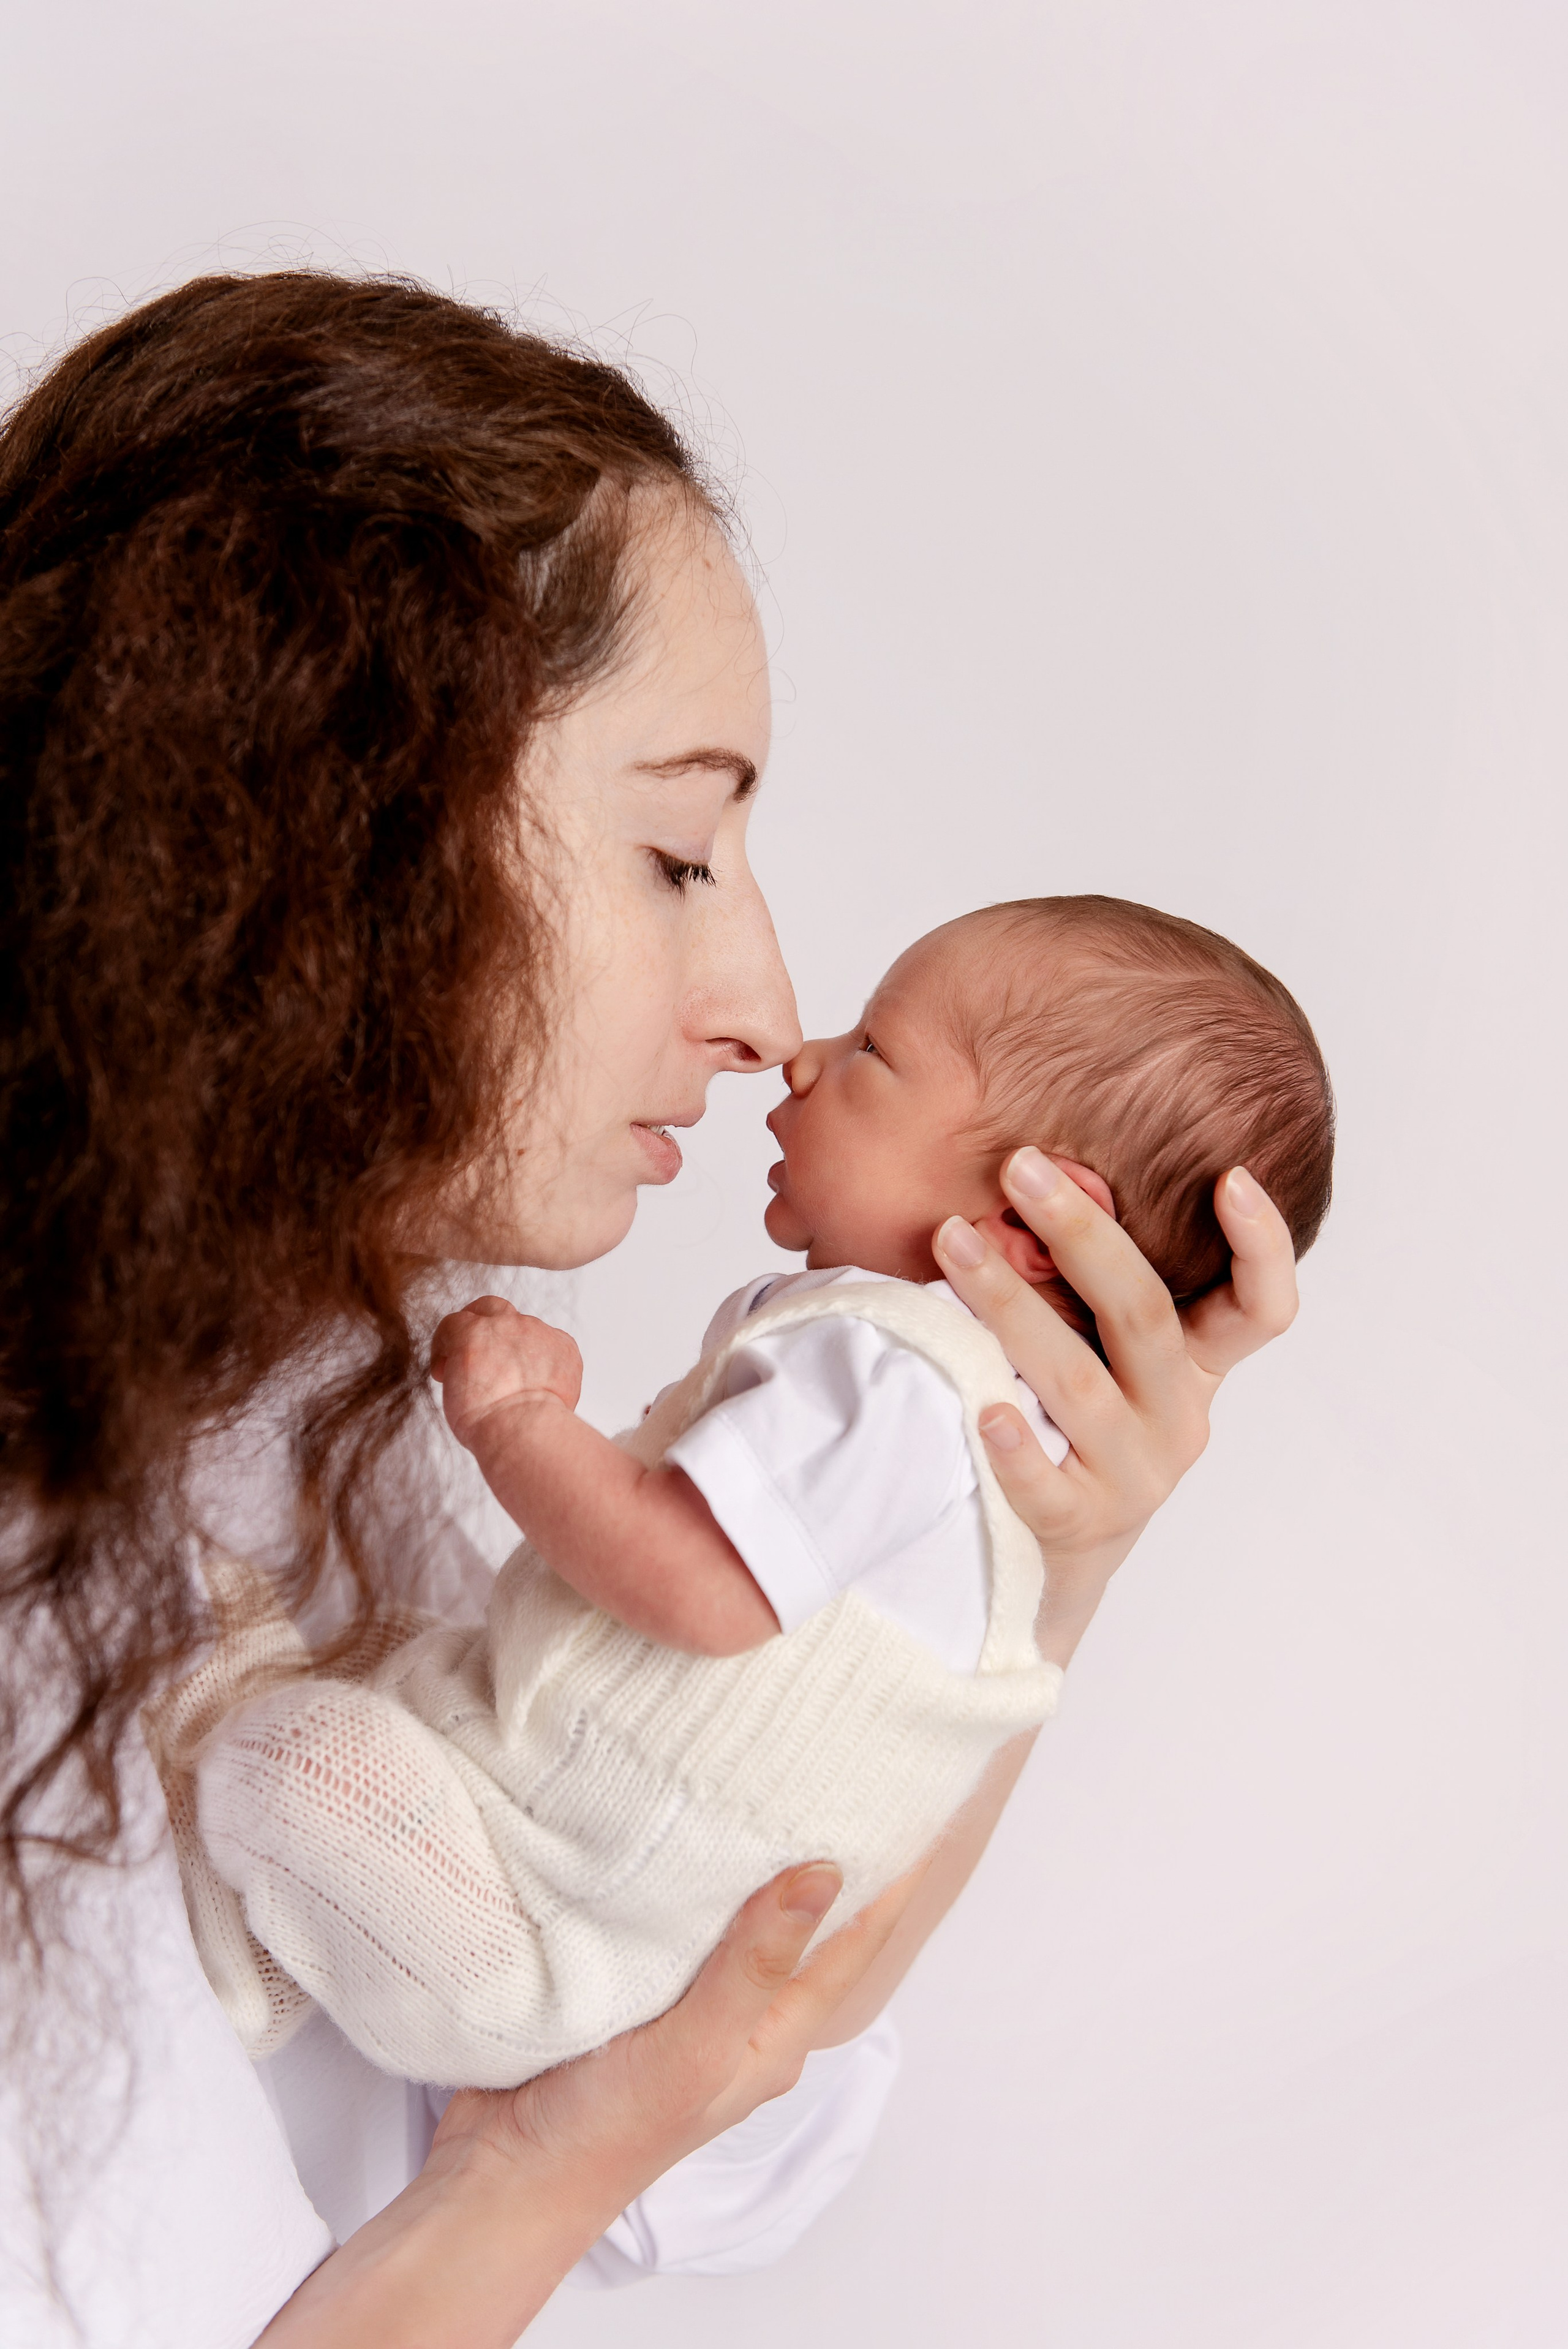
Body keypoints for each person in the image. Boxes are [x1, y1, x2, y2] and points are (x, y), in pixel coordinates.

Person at [0, 271, 1301, 2349]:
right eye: (680, 849)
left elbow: (724, 1986)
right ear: (325, 822)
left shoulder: (361, 1395)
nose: (771, 1015)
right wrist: (539, 2171)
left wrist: (1039, 1569)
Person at [186, 894, 1332, 2091]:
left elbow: (696, 1587)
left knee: (288, 1761)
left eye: (872, 1054)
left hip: (544, 1926)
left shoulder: (896, 1367)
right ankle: (285, 1916)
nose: (802, 1055)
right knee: (396, 1657)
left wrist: (515, 1424)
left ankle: (234, 1905)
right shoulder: (978, 1418)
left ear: (1032, 1225)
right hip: (565, 1888)